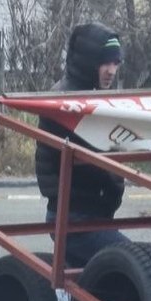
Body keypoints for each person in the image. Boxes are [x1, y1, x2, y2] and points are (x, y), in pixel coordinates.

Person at [34, 21, 129, 267]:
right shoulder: (67, 102)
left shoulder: (93, 97)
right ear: (89, 62)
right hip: (75, 220)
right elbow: (95, 162)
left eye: (115, 63)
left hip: (88, 217)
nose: (111, 70)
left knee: (95, 286)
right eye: (105, 62)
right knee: (137, 264)